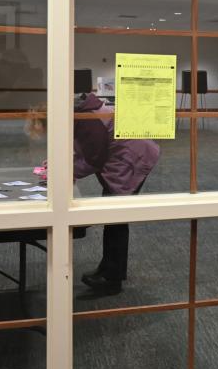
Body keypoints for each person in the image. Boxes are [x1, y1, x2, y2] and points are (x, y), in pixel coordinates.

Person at [25, 93, 160, 295]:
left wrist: (64, 172)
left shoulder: (87, 121)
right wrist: (59, 163)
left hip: (133, 160)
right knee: (113, 217)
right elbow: (86, 149)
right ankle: (108, 269)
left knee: (116, 219)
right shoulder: (80, 115)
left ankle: (112, 278)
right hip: (125, 157)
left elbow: (93, 159)